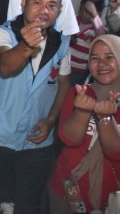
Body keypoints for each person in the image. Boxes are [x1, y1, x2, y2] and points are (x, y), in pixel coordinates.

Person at [0, 0, 72, 214]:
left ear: (59, 10)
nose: (44, 10)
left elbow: (63, 83)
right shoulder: (4, 33)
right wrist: (26, 46)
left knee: (29, 204)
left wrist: (51, 120)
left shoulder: (61, 42)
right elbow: (5, 65)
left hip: (36, 142)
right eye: (37, 2)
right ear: (23, 2)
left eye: (52, 5)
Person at [49, 34, 120, 213]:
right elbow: (68, 139)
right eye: (94, 58)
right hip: (66, 190)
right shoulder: (79, 93)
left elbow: (116, 153)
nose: (102, 64)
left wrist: (104, 119)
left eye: (109, 57)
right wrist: (82, 112)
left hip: (109, 198)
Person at [70, 0, 106, 85]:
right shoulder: (74, 19)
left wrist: (94, 15)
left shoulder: (97, 28)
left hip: (80, 69)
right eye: (81, 9)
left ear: (98, 13)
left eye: (87, 12)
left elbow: (103, 37)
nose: (82, 13)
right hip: (64, 64)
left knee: (70, 92)